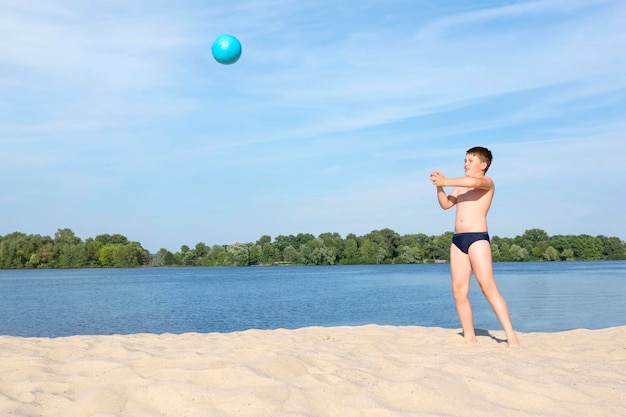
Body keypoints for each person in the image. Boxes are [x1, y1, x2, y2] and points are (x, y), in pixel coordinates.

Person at [430, 146, 520, 347]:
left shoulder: (486, 182)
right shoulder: (460, 186)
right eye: (464, 160)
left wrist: (445, 180)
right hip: (457, 241)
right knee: (459, 291)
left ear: (483, 165)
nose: (466, 164)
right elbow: (445, 205)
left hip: (477, 238)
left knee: (488, 288)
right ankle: (470, 337)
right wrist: (439, 186)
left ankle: (511, 336)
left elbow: (473, 181)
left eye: (470, 161)